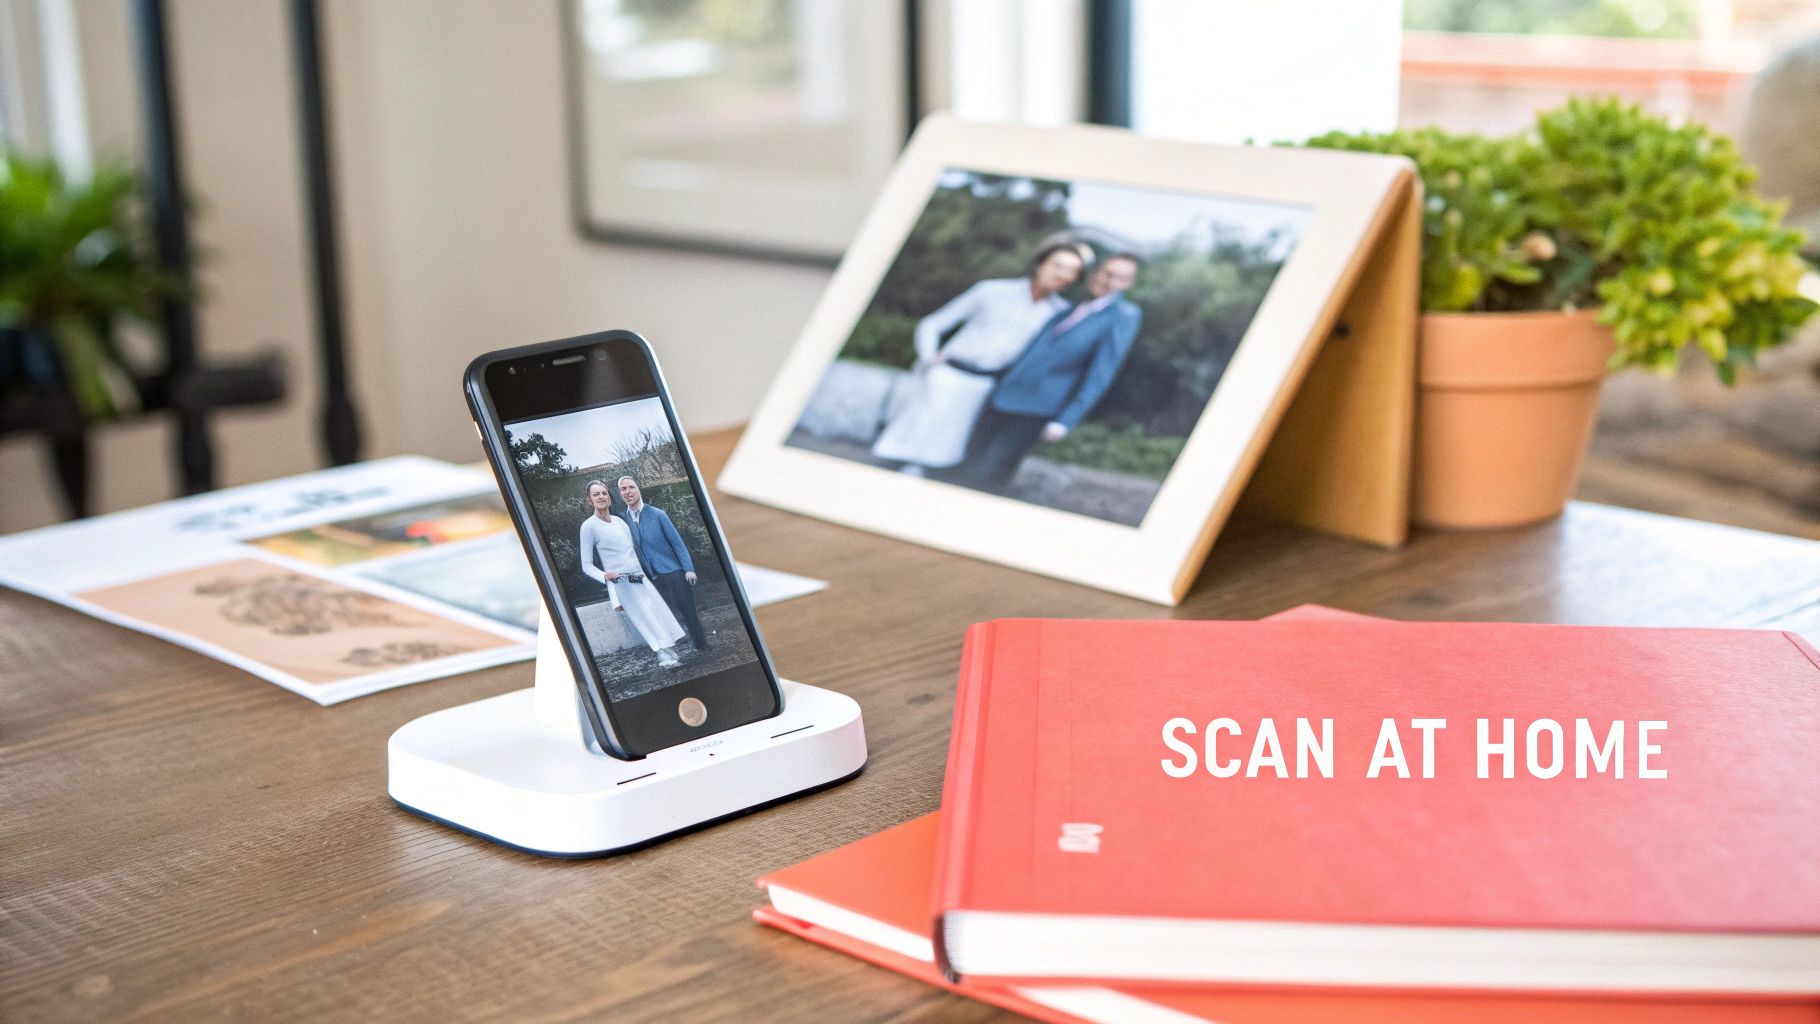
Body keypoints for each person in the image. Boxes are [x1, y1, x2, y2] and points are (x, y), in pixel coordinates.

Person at [869, 242, 1087, 476]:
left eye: (1071, 271)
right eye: (1057, 265)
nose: (1061, 274)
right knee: (908, 442)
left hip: (985, 389)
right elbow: (932, 324)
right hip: (947, 377)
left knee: (944, 457)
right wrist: (929, 358)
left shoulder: (1060, 314)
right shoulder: (992, 291)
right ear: (1040, 264)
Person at [963, 253, 1145, 492]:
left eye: (1119, 278)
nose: (1108, 281)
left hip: (1037, 408)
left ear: (1128, 284)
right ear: (1096, 272)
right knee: (968, 461)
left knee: (989, 472)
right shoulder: (1070, 307)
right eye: (1106, 272)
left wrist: (1066, 419)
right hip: (1002, 397)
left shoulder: (1123, 315)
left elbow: (1101, 373)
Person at [576, 479, 685, 667]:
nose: (601, 497)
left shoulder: (620, 522)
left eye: (604, 493)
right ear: (589, 500)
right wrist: (605, 577)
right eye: (596, 494)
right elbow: (586, 565)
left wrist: (645, 574)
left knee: (657, 613)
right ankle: (664, 656)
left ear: (609, 497)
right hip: (622, 583)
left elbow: (632, 552)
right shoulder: (588, 526)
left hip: (639, 577)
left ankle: (670, 651)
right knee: (645, 618)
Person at [615, 475, 709, 651]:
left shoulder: (658, 514)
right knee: (660, 614)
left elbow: (677, 543)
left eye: (631, 487)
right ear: (620, 494)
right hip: (649, 576)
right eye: (623, 489)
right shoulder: (623, 520)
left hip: (673, 571)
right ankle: (673, 649)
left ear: (638, 489)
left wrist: (688, 569)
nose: (628, 492)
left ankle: (701, 645)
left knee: (687, 610)